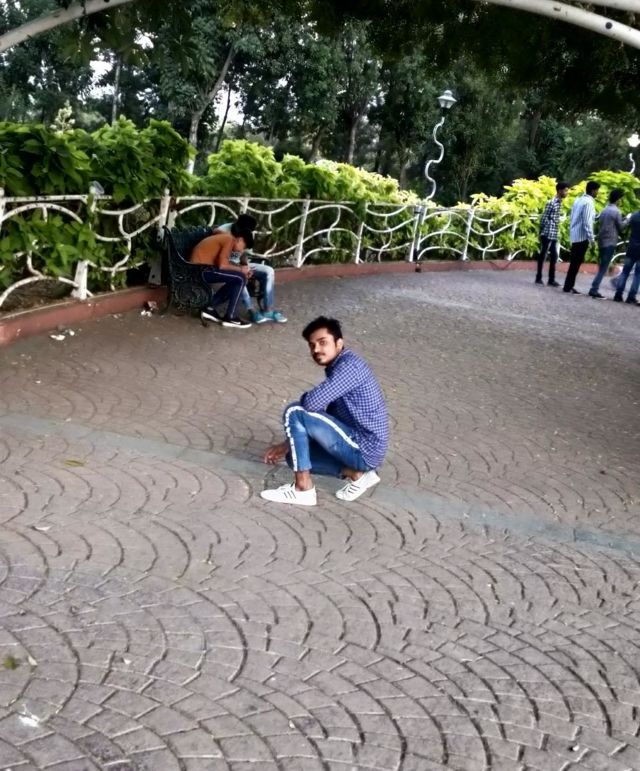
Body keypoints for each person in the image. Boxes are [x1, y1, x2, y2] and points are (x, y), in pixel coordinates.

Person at [261, 316, 389, 506]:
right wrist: (287, 443)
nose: (316, 349)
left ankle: (303, 489)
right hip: (358, 445)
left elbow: (312, 404)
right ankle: (358, 474)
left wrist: (305, 404)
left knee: (294, 411)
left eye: (322, 342)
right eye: (312, 345)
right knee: (294, 457)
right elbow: (326, 417)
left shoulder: (350, 367)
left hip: (364, 446)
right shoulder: (338, 366)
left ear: (339, 343)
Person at [214, 215, 287, 324]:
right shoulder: (225, 229)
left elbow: (244, 253)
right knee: (241, 276)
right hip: (226, 265)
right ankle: (251, 310)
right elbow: (214, 233)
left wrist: (246, 266)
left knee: (269, 271)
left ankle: (267, 310)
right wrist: (241, 269)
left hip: (239, 263)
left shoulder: (248, 235)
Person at [189, 228, 254, 328]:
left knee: (237, 279)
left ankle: (209, 308)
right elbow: (222, 266)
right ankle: (231, 317)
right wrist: (241, 269)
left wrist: (241, 269)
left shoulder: (227, 237)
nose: (241, 251)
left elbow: (224, 263)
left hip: (201, 269)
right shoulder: (229, 239)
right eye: (243, 247)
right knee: (240, 278)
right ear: (240, 239)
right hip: (201, 270)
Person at [563, 180, 600, 294]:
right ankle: (568, 286)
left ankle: (568, 286)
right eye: (597, 190)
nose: (598, 193)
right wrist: (592, 240)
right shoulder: (588, 203)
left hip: (575, 234)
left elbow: (578, 217)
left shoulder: (579, 200)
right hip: (582, 237)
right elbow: (587, 223)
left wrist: (599, 216)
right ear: (593, 191)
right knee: (576, 263)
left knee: (574, 263)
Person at [589, 188, 626, 299]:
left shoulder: (604, 210)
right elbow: (621, 227)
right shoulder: (616, 211)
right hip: (610, 241)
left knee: (602, 265)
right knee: (603, 267)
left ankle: (594, 288)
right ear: (618, 199)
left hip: (601, 240)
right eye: (621, 199)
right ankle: (594, 289)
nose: (621, 201)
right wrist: (628, 219)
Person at [536, 181, 570, 286]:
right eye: (565, 191)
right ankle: (539, 277)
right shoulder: (552, 202)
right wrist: (542, 231)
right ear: (559, 191)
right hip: (547, 232)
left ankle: (551, 279)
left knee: (554, 255)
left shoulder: (559, 202)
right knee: (543, 254)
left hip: (553, 232)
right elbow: (544, 217)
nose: (566, 193)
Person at [613, 209, 640, 305]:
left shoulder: (634, 216)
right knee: (638, 275)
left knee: (625, 272)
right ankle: (631, 297)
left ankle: (618, 295)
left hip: (631, 248)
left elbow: (624, 227)